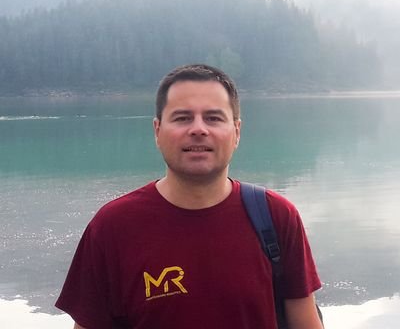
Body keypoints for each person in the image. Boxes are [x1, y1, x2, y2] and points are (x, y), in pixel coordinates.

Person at [56, 64, 323, 329]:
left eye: (213, 118)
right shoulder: (113, 226)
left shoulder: (275, 217)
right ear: (157, 131)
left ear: (237, 132)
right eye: (182, 118)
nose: (198, 129)